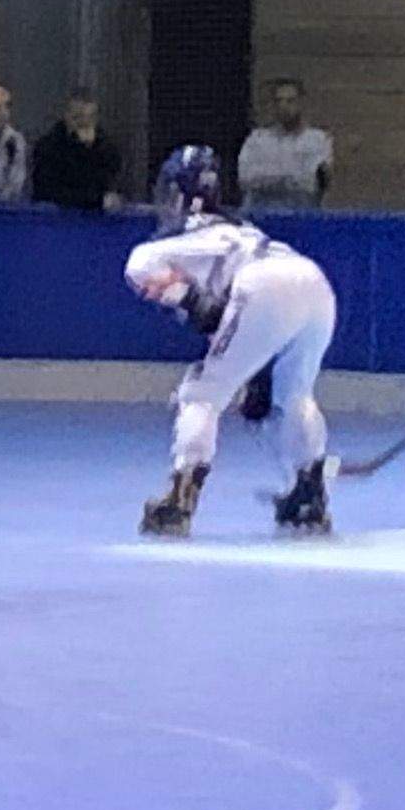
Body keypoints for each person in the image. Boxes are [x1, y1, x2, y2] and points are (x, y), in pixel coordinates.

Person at [125, 145, 339, 539]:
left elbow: (139, 266)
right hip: (314, 283)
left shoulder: (181, 237)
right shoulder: (240, 227)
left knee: (202, 392)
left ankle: (180, 499)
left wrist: (190, 301)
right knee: (294, 396)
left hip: (261, 285)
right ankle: (311, 490)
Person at [235, 78, 335, 212]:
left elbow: (312, 183)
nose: (284, 106)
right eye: (278, 101)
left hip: (301, 218)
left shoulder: (317, 140)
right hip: (261, 217)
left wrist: (269, 178)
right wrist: (289, 178)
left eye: (290, 101)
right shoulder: (257, 140)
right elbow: (246, 179)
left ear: (301, 104)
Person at [28, 89, 123, 213]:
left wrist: (90, 149)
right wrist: (79, 148)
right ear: (66, 116)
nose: (84, 124)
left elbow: (110, 184)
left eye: (90, 118)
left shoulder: (107, 148)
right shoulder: (48, 147)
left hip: (95, 222)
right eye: (78, 118)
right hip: (56, 220)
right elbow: (47, 192)